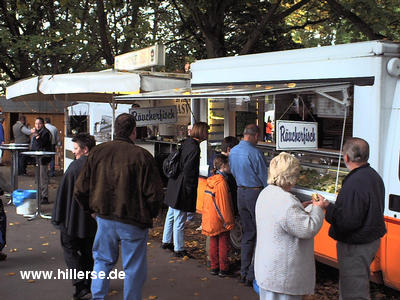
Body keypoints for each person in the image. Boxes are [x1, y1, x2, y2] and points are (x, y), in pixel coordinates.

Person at [74, 113, 163, 300]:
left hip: (104, 217)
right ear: (133, 131)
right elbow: (155, 195)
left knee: (102, 261)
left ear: (115, 129)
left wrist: (90, 210)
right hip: (134, 220)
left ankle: (98, 297)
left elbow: (80, 188)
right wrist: (151, 214)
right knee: (133, 268)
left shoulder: (97, 152)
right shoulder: (142, 156)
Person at [255, 152, 327, 300]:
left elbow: (280, 218)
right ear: (291, 176)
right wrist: (318, 208)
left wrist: (300, 207)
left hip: (267, 268)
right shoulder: (286, 201)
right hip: (283, 274)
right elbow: (307, 229)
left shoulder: (266, 193)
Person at [324, 137, 386, 300]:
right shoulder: (374, 176)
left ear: (346, 158)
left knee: (353, 291)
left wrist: (327, 208)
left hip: (356, 245)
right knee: (359, 282)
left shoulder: (354, 183)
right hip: (371, 240)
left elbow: (347, 222)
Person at [52, 133, 97, 300]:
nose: (74, 152)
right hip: (92, 219)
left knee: (70, 248)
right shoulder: (98, 165)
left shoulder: (74, 167)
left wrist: (58, 216)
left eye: (76, 148)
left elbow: (64, 194)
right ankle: (87, 283)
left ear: (85, 149)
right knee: (88, 251)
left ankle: (79, 283)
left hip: (71, 218)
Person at [161, 122, 209, 257]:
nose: (208, 134)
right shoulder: (195, 148)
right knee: (179, 218)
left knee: (171, 214)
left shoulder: (186, 143)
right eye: (206, 131)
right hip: (182, 186)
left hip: (174, 182)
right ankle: (179, 248)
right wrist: (189, 190)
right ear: (201, 132)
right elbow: (189, 171)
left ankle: (166, 241)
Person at [229, 124, 268, 286]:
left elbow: (232, 170)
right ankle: (253, 273)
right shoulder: (255, 153)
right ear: (253, 135)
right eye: (258, 136)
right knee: (260, 233)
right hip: (254, 194)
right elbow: (265, 179)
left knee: (247, 233)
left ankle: (244, 272)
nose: (258, 140)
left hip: (240, 193)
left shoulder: (234, 151)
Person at [202, 154, 235, 277]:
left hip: (210, 217)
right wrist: (229, 222)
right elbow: (223, 205)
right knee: (223, 243)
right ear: (224, 166)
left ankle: (214, 266)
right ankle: (224, 268)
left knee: (213, 241)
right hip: (219, 219)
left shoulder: (211, 180)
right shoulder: (221, 183)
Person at [30, 117, 52, 204]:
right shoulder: (38, 132)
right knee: (38, 178)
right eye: (36, 124)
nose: (37, 125)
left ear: (43, 124)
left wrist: (37, 136)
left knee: (43, 178)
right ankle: (40, 195)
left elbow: (42, 144)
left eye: (39, 123)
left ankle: (45, 196)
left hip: (43, 158)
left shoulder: (45, 133)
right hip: (37, 158)